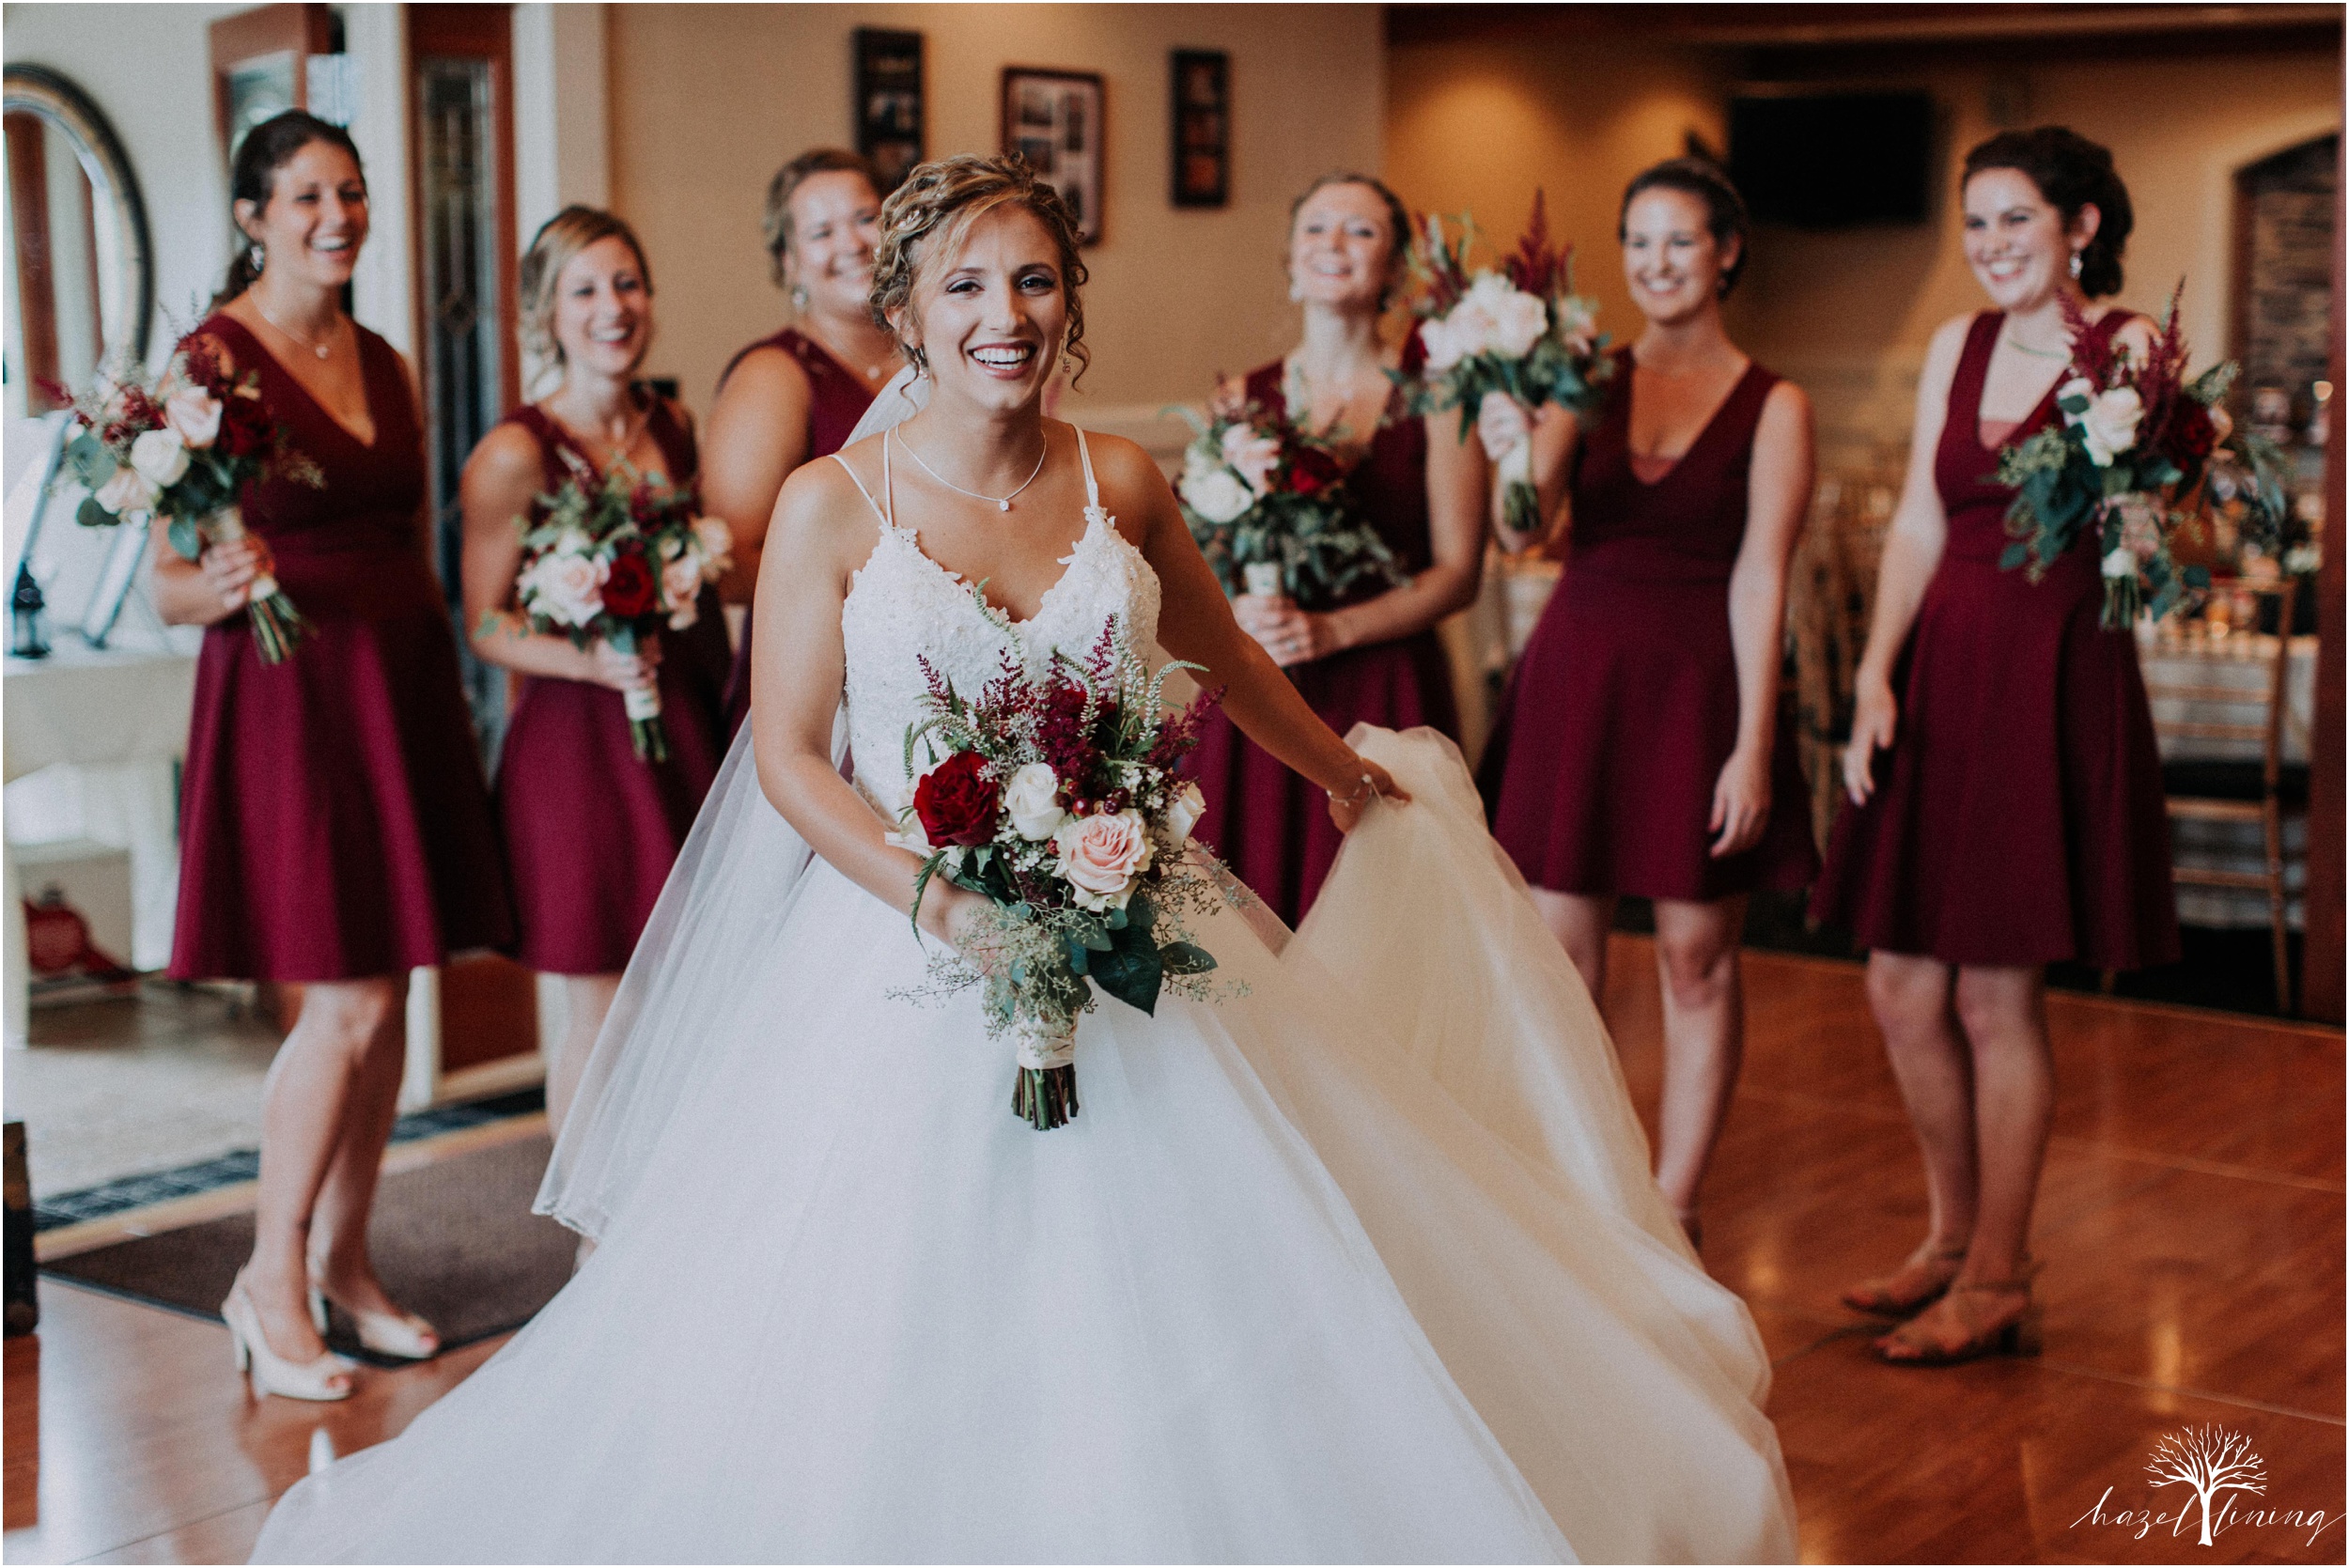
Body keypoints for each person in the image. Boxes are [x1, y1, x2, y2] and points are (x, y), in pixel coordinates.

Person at [250, 154, 1794, 1562]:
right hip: (899, 951)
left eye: (1038, 279)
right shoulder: (825, 507)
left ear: (1073, 301)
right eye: (970, 284)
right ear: (910, 306)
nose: (1008, 314)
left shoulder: (1118, 479)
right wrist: (943, 896)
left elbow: (1223, 660)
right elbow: (791, 756)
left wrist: (1345, 777)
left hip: (1141, 933)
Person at [159, 112, 512, 1399]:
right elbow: (165, 587)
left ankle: (348, 1269)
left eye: (352, 191)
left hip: (399, 686)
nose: (337, 214)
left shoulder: (383, 355)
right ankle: (268, 1272)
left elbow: (405, 529)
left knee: (397, 994)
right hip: (293, 691)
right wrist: (220, 576)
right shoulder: (211, 361)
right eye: (307, 194)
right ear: (254, 214)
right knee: (349, 1001)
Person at [1811, 127, 2178, 1364]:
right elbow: (1919, 515)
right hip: (1941, 662)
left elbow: (2165, 550)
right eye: (1977, 223)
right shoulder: (1956, 345)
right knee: (1898, 981)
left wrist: (2145, 513)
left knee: (1993, 986)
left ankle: (2004, 1271)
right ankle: (1950, 1238)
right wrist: (1871, 671)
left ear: (2080, 225)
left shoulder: (2130, 349)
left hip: (2049, 669)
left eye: (2017, 219)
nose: (1992, 246)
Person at [1480, 160, 1817, 1248]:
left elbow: (1764, 574)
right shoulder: (1585, 378)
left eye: (1679, 241)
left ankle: (1676, 1206)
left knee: (1694, 957)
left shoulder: (1777, 405)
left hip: (1700, 693)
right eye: (1638, 242)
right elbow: (1522, 532)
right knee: (1562, 958)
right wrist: (1508, 438)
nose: (1655, 263)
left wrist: (1755, 746)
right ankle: (1587, 1188)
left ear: (1726, 250)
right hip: (1578, 678)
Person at [460, 207, 729, 1139]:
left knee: (683, 993)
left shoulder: (678, 425)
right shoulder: (514, 453)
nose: (612, 308)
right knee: (605, 1007)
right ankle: (586, 1238)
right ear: (546, 313)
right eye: (584, 290)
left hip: (681, 729)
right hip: (576, 755)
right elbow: (487, 623)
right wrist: (591, 656)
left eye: (626, 284)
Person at [1187, 173, 1486, 924]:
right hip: (1261, 682)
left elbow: (1459, 573)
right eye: (1317, 228)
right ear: (1289, 259)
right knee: (1249, 913)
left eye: (1361, 231)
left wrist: (1334, 629)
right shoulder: (1238, 401)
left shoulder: (1440, 396)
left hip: (1383, 685)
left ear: (1392, 269)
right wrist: (1239, 605)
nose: (1334, 245)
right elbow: (1203, 551)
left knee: (1381, 919)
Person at [703, 148, 902, 733]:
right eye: (821, 232)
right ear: (789, 264)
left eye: (867, 218)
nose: (853, 244)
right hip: (818, 689)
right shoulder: (774, 376)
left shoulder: (938, 356)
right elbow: (733, 564)